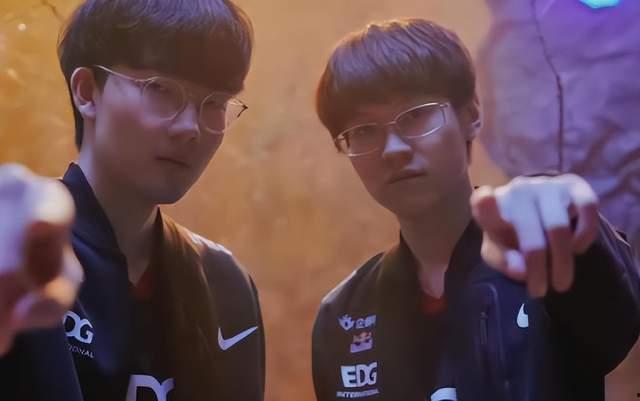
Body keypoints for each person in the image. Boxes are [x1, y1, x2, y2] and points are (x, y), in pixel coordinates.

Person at [311, 18, 640, 401]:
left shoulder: (541, 251)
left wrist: (567, 217)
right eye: (364, 131)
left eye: (416, 114)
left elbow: (618, 321)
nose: (393, 149)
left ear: (471, 115)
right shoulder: (342, 315)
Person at [0, 1, 264, 401]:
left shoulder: (226, 284)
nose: (191, 127)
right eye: (161, 89)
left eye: (214, 104)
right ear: (87, 91)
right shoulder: (20, 250)